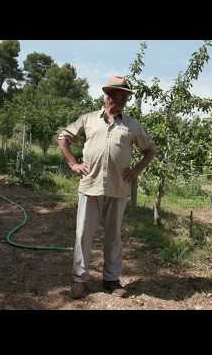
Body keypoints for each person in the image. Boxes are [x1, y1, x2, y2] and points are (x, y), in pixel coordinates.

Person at [57, 76, 157, 299]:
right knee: (83, 234)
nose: (122, 100)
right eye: (118, 95)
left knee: (114, 236)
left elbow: (150, 150)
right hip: (90, 186)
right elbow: (63, 138)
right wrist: (73, 163)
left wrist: (136, 170)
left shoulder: (132, 125)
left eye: (125, 97)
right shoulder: (89, 119)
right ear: (108, 95)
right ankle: (79, 280)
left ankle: (111, 280)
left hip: (118, 187)